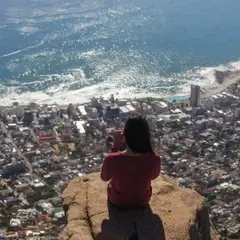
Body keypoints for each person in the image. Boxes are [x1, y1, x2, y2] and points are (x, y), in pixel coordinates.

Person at [101, 116, 161, 208]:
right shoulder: (155, 158)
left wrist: (115, 147)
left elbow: (104, 178)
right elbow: (153, 177)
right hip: (142, 200)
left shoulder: (111, 159)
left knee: (111, 184)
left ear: (125, 136)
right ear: (146, 136)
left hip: (118, 201)